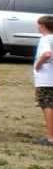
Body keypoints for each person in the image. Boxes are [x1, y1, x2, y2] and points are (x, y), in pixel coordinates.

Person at [33, 15, 53, 146]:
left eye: (39, 25)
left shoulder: (45, 39)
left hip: (46, 78)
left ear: (43, 26)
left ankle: (51, 137)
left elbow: (47, 54)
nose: (37, 27)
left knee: (47, 106)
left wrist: (38, 64)